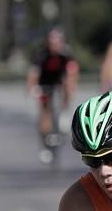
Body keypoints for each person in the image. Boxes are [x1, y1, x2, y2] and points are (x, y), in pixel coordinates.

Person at [27, 26, 80, 163]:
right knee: (45, 112)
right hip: (45, 84)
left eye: (58, 43)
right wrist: (33, 88)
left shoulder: (66, 54)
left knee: (68, 84)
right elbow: (33, 74)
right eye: (52, 43)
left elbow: (73, 70)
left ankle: (65, 111)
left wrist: (71, 86)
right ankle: (45, 143)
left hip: (59, 83)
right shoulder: (42, 55)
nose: (55, 46)